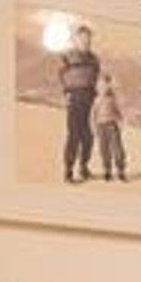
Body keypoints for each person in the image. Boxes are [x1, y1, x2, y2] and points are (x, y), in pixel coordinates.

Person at [54, 25, 101, 183]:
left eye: (88, 38)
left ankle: (83, 167)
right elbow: (61, 74)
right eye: (82, 38)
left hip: (89, 98)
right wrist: (67, 92)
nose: (85, 41)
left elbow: (96, 77)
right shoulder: (68, 56)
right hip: (74, 98)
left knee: (88, 136)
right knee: (74, 135)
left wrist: (96, 95)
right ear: (76, 40)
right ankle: (68, 171)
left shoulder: (94, 59)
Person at [91, 77, 127, 182]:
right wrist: (94, 127)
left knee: (117, 149)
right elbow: (93, 115)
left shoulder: (113, 99)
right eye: (101, 86)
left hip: (112, 125)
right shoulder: (97, 100)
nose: (103, 88)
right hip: (101, 126)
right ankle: (107, 170)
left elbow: (119, 112)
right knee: (104, 149)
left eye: (105, 86)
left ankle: (120, 170)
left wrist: (120, 123)